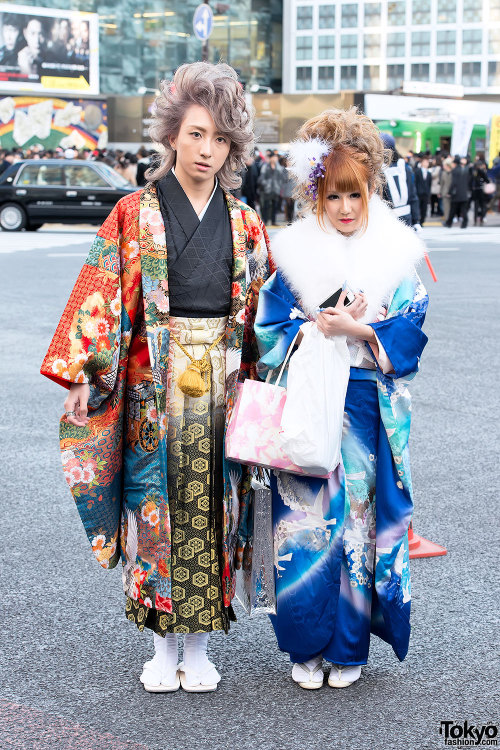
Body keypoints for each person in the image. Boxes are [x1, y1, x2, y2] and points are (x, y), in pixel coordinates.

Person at [40, 61, 273, 694]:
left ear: (234, 146)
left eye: (221, 138)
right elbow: (103, 294)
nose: (207, 150)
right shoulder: (132, 213)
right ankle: (160, 641)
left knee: (215, 511)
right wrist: (84, 370)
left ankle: (198, 647)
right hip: (151, 389)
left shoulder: (246, 220)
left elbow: (267, 309)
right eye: (197, 133)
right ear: (172, 132)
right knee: (155, 512)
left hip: (222, 388)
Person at [254, 107, 428, 690]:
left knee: (355, 526)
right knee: (305, 523)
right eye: (333, 197)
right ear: (315, 196)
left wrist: (363, 333)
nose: (347, 209)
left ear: (372, 188)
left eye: (355, 194)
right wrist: (316, 330)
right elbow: (268, 330)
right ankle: (305, 647)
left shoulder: (397, 258)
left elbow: (412, 330)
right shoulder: (293, 258)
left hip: (366, 408)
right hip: (309, 402)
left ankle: (349, 649)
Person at [380, 133, 420, 229]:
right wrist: (416, 221)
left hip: (387, 220)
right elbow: (413, 196)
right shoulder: (405, 168)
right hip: (407, 219)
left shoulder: (379, 171)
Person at [258, 152, 285, 225]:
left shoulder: (278, 167)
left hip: (276, 189)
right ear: (271, 158)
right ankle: (265, 221)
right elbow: (262, 178)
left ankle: (273, 221)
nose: (275, 159)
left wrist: (279, 186)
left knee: (274, 206)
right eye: (274, 157)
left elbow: (281, 178)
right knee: (266, 206)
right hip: (267, 190)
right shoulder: (265, 166)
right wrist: (266, 185)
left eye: (276, 157)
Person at [445, 156, 471, 229]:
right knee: (463, 210)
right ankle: (464, 223)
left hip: (456, 193)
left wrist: (449, 192)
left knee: (453, 209)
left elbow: (453, 183)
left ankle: (449, 223)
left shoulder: (455, 170)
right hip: (464, 193)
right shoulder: (466, 170)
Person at [414, 156, 432, 226]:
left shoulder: (429, 173)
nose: (426, 163)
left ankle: (422, 221)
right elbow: (415, 182)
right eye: (424, 162)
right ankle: (417, 221)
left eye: (427, 162)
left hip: (426, 194)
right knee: (418, 207)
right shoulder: (417, 172)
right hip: (418, 193)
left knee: (424, 208)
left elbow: (429, 184)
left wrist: (428, 193)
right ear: (421, 163)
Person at [470, 159, 488, 226]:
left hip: (475, 190)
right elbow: (487, 180)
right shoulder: (481, 171)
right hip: (481, 190)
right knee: (483, 205)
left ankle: (475, 220)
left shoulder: (473, 171)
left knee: (476, 206)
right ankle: (481, 219)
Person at [440, 157, 454, 225]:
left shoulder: (454, 172)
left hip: (452, 193)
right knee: (446, 208)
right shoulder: (443, 173)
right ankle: (447, 220)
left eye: (444, 165)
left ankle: (450, 220)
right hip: (444, 192)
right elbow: (442, 184)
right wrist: (440, 192)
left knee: (452, 207)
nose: (443, 167)